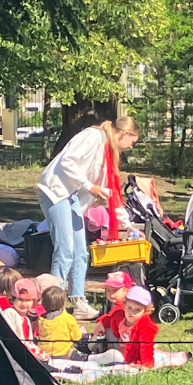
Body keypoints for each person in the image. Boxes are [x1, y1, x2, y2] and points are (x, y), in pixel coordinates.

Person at [37, 116, 140, 321]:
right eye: (132, 141)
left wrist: (128, 226)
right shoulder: (93, 136)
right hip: (56, 191)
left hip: (71, 196)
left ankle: (79, 302)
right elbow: (67, 162)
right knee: (65, 250)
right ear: (125, 134)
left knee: (80, 253)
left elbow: (112, 195)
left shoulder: (108, 154)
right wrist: (89, 186)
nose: (130, 146)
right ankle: (54, 304)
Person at [37, 285, 85, 359]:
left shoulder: (41, 319)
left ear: (43, 304)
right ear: (63, 304)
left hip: (44, 353)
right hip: (64, 353)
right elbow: (77, 337)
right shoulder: (68, 318)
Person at [117, 286, 160, 368]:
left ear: (145, 311)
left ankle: (91, 358)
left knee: (112, 355)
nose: (132, 312)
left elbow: (146, 346)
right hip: (123, 351)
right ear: (124, 305)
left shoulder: (144, 327)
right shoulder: (122, 318)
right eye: (129, 307)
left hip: (132, 356)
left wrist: (146, 365)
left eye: (137, 310)